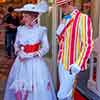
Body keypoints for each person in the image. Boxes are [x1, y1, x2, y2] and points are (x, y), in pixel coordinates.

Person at [4, 1, 57, 100]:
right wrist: (19, 52)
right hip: (21, 63)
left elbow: (46, 47)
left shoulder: (41, 30)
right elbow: (16, 44)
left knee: (36, 84)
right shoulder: (20, 29)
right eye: (23, 16)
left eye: (26, 16)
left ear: (33, 17)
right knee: (20, 85)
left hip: (35, 62)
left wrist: (34, 54)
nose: (23, 19)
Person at [56, 0, 93, 100]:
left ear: (70, 4)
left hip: (72, 63)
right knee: (68, 94)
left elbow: (88, 44)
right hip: (61, 61)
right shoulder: (65, 18)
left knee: (62, 95)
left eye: (62, 6)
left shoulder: (83, 18)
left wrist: (79, 63)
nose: (61, 9)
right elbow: (61, 41)